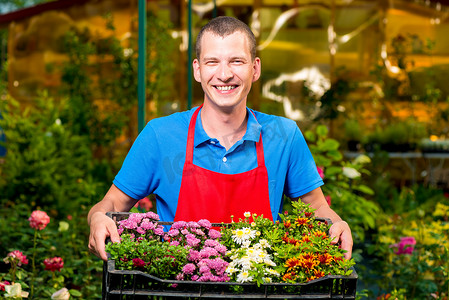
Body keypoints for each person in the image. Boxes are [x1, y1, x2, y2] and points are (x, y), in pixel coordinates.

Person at [88, 16, 353, 261]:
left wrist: (336, 223)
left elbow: (317, 207)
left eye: (236, 61)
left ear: (255, 68)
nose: (224, 74)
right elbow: (111, 204)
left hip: (260, 287)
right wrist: (98, 218)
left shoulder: (283, 135)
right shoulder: (161, 135)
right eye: (212, 62)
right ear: (197, 70)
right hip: (178, 289)